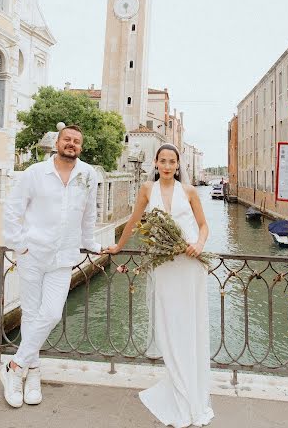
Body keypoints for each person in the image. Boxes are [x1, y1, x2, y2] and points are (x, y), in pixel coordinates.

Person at [106, 143, 214, 427]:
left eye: (172, 162)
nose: (167, 166)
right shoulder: (146, 189)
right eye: (163, 161)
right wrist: (118, 246)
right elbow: (133, 221)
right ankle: (178, 386)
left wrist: (199, 244)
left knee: (189, 325)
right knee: (168, 326)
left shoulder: (189, 192)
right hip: (164, 265)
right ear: (156, 162)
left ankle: (191, 390)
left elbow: (203, 226)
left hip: (190, 263)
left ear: (178, 166)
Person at [1, 125, 102, 408]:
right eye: (67, 139)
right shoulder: (35, 173)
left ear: (80, 147)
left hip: (63, 257)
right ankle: (32, 372)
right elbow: (13, 208)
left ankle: (15, 367)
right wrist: (19, 244)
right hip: (32, 254)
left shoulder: (88, 174)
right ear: (57, 143)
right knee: (31, 314)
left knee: (53, 313)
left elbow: (89, 212)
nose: (71, 144)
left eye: (77, 141)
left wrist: (90, 241)